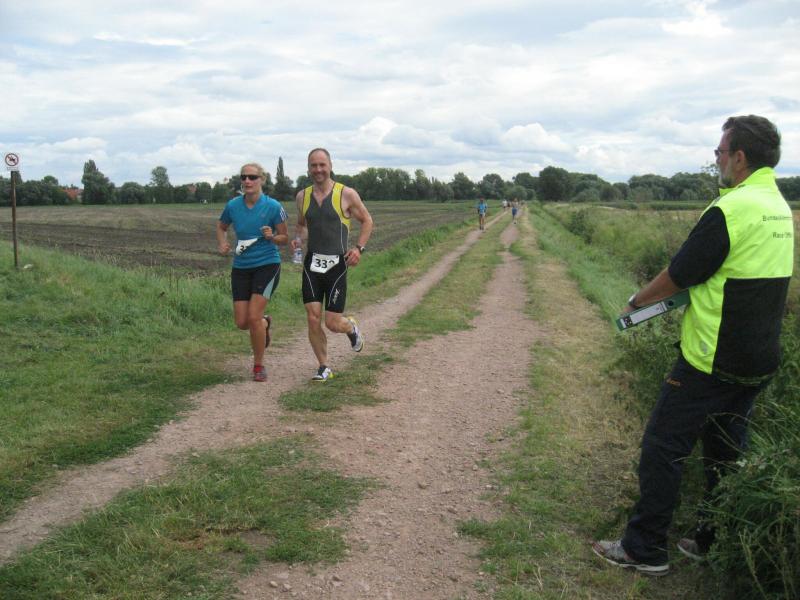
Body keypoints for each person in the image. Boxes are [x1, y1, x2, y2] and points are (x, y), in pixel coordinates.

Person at [592, 115, 794, 576]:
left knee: (664, 445)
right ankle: (708, 540)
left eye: (720, 152)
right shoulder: (778, 207)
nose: (717, 159)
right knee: (725, 452)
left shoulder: (731, 209)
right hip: (758, 360)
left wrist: (636, 303)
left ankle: (644, 549)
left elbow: (681, 273)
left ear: (739, 157)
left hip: (709, 358)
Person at [291, 148, 374, 381]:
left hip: (337, 265)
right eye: (313, 165)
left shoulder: (346, 194)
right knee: (312, 317)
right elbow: (302, 225)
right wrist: (298, 240)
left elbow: (367, 220)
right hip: (312, 264)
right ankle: (324, 366)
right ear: (308, 168)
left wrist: (358, 248)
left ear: (330, 166)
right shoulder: (302, 196)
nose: (318, 169)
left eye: (322, 165)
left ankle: (350, 327)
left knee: (332, 322)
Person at [216, 163, 288, 382]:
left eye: (252, 177)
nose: (247, 181)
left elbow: (284, 238)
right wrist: (223, 243)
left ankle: (258, 365)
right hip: (241, 267)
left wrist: (272, 237)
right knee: (242, 322)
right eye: (244, 177)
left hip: (267, 264)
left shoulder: (273, 206)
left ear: (261, 180)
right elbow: (221, 227)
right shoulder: (233, 205)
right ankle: (264, 324)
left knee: (253, 316)